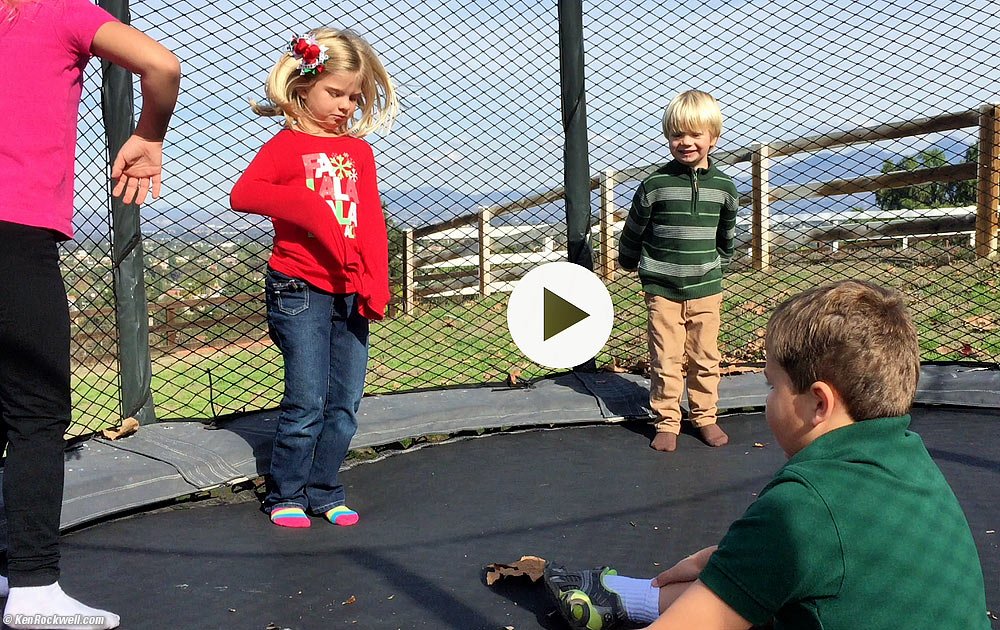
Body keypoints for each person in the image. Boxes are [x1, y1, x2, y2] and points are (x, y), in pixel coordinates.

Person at [544, 280, 990, 630]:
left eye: (772, 386)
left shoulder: (803, 506)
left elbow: (809, 531)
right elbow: (840, 555)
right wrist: (735, 562)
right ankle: (637, 599)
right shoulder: (911, 461)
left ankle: (636, 600)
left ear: (819, 403)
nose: (767, 402)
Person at [0, 1, 180, 627]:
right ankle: (33, 585)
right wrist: (149, 133)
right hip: (13, 235)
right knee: (34, 412)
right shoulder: (61, 13)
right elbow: (161, 64)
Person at [229, 28, 397, 529]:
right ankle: (286, 493)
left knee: (344, 403)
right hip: (299, 286)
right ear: (303, 86)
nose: (345, 106)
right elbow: (244, 194)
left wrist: (377, 279)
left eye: (354, 97)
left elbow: (369, 219)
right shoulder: (285, 146)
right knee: (307, 398)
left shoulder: (358, 153)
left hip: (351, 291)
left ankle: (326, 489)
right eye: (336, 93)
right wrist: (304, 205)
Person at [617, 90, 739, 452]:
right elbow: (634, 229)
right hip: (663, 288)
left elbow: (726, 235)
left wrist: (720, 267)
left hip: (707, 288)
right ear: (668, 136)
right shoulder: (655, 186)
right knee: (666, 358)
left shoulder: (724, 188)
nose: (685, 142)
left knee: (705, 357)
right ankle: (667, 420)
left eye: (695, 134)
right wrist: (628, 259)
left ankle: (704, 417)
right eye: (677, 135)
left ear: (713, 138)